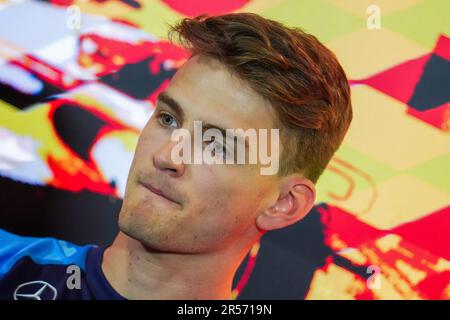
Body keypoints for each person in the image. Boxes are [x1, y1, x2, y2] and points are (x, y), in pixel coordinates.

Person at [0, 13, 352, 300]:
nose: (168, 156)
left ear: (284, 204)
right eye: (168, 119)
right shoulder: (9, 264)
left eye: (216, 146)